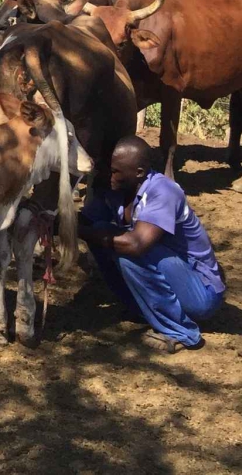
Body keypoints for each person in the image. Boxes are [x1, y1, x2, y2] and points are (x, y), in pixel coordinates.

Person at [78, 135, 226, 353]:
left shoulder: (163, 191)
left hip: (202, 294)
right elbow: (85, 222)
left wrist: (84, 232)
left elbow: (136, 245)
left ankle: (181, 332)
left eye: (116, 171)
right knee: (102, 232)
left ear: (138, 172)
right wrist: (51, 221)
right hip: (176, 279)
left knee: (126, 249)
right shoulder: (116, 192)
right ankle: (141, 309)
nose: (110, 176)